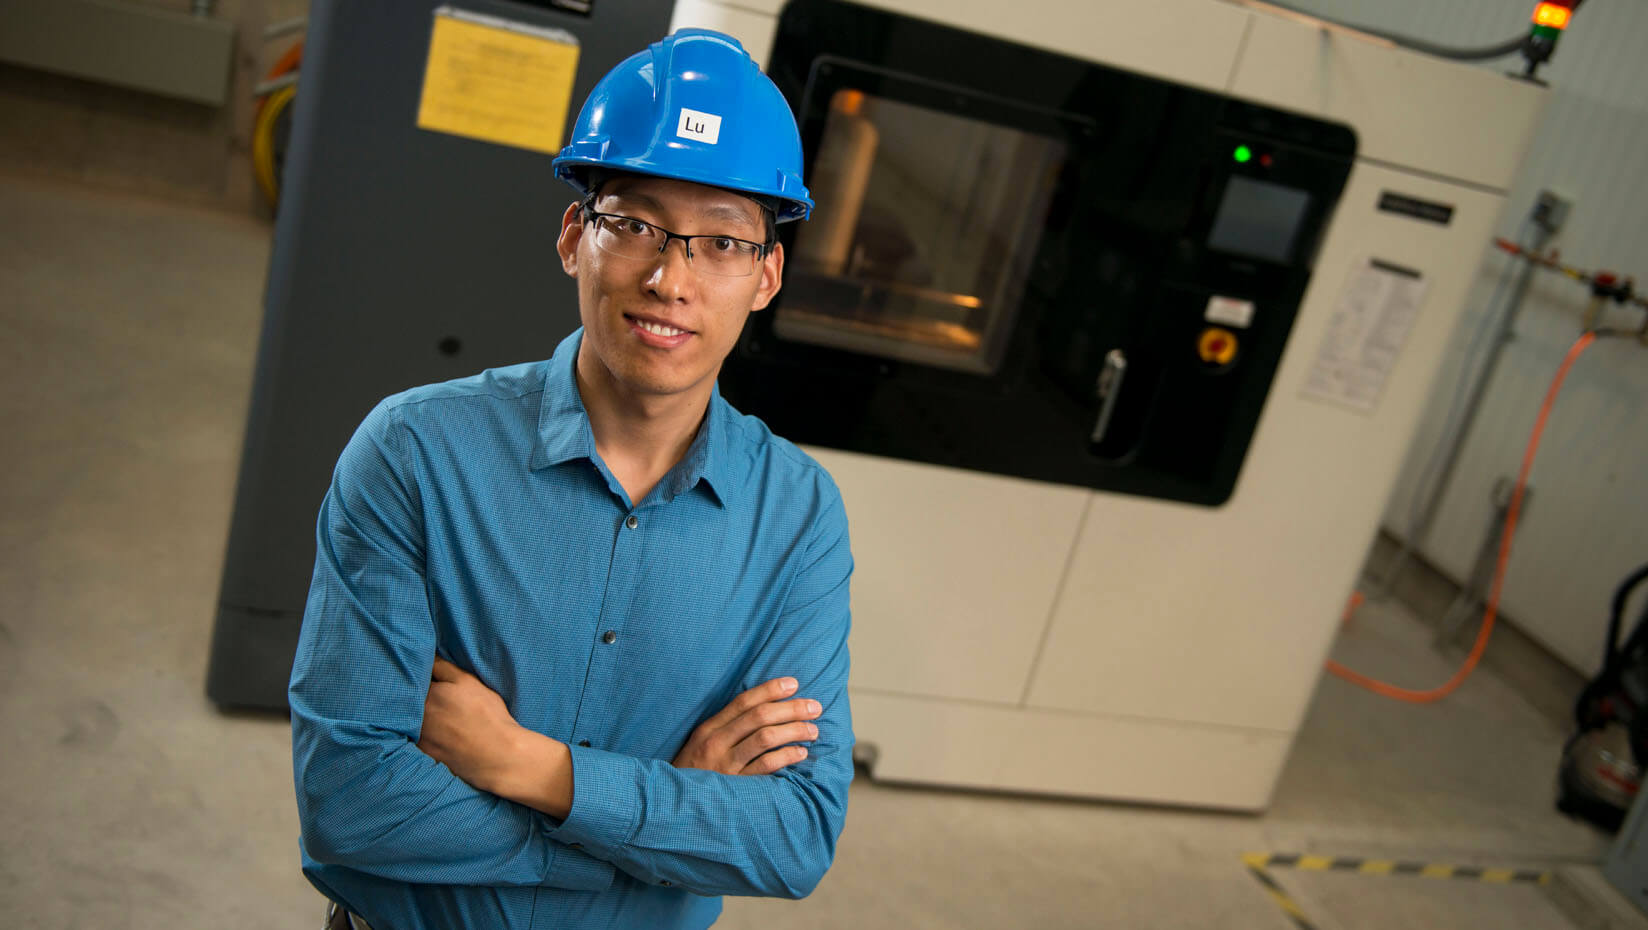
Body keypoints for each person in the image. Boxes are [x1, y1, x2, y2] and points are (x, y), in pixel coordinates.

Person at [288, 29, 853, 930]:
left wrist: (531, 768)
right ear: (572, 238)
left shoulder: (797, 517)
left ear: (767, 276)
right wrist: (656, 824)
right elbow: (350, 803)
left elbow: (793, 837)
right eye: (634, 225)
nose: (672, 278)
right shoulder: (416, 455)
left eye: (721, 243)